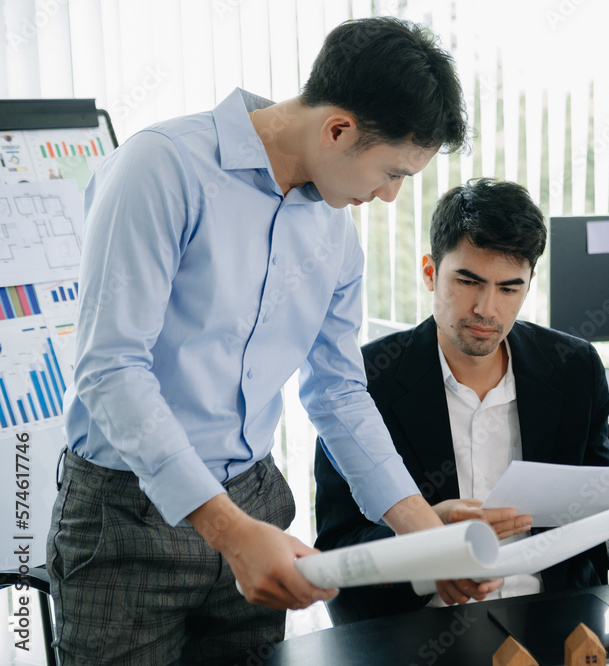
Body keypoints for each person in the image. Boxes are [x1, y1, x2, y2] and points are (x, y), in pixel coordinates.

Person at [47, 17, 479, 665]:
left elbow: (336, 393)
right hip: (127, 522)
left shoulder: (335, 234)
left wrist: (422, 534)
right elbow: (111, 371)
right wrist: (229, 531)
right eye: (393, 173)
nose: (389, 197)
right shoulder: (161, 168)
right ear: (338, 129)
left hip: (257, 502)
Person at [314, 178, 609, 623]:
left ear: (529, 284)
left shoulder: (573, 368)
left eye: (508, 289)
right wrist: (422, 542)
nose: (487, 309)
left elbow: (591, 506)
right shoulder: (363, 381)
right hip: (419, 627)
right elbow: (337, 546)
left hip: (552, 620)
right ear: (429, 272)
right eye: (468, 281)